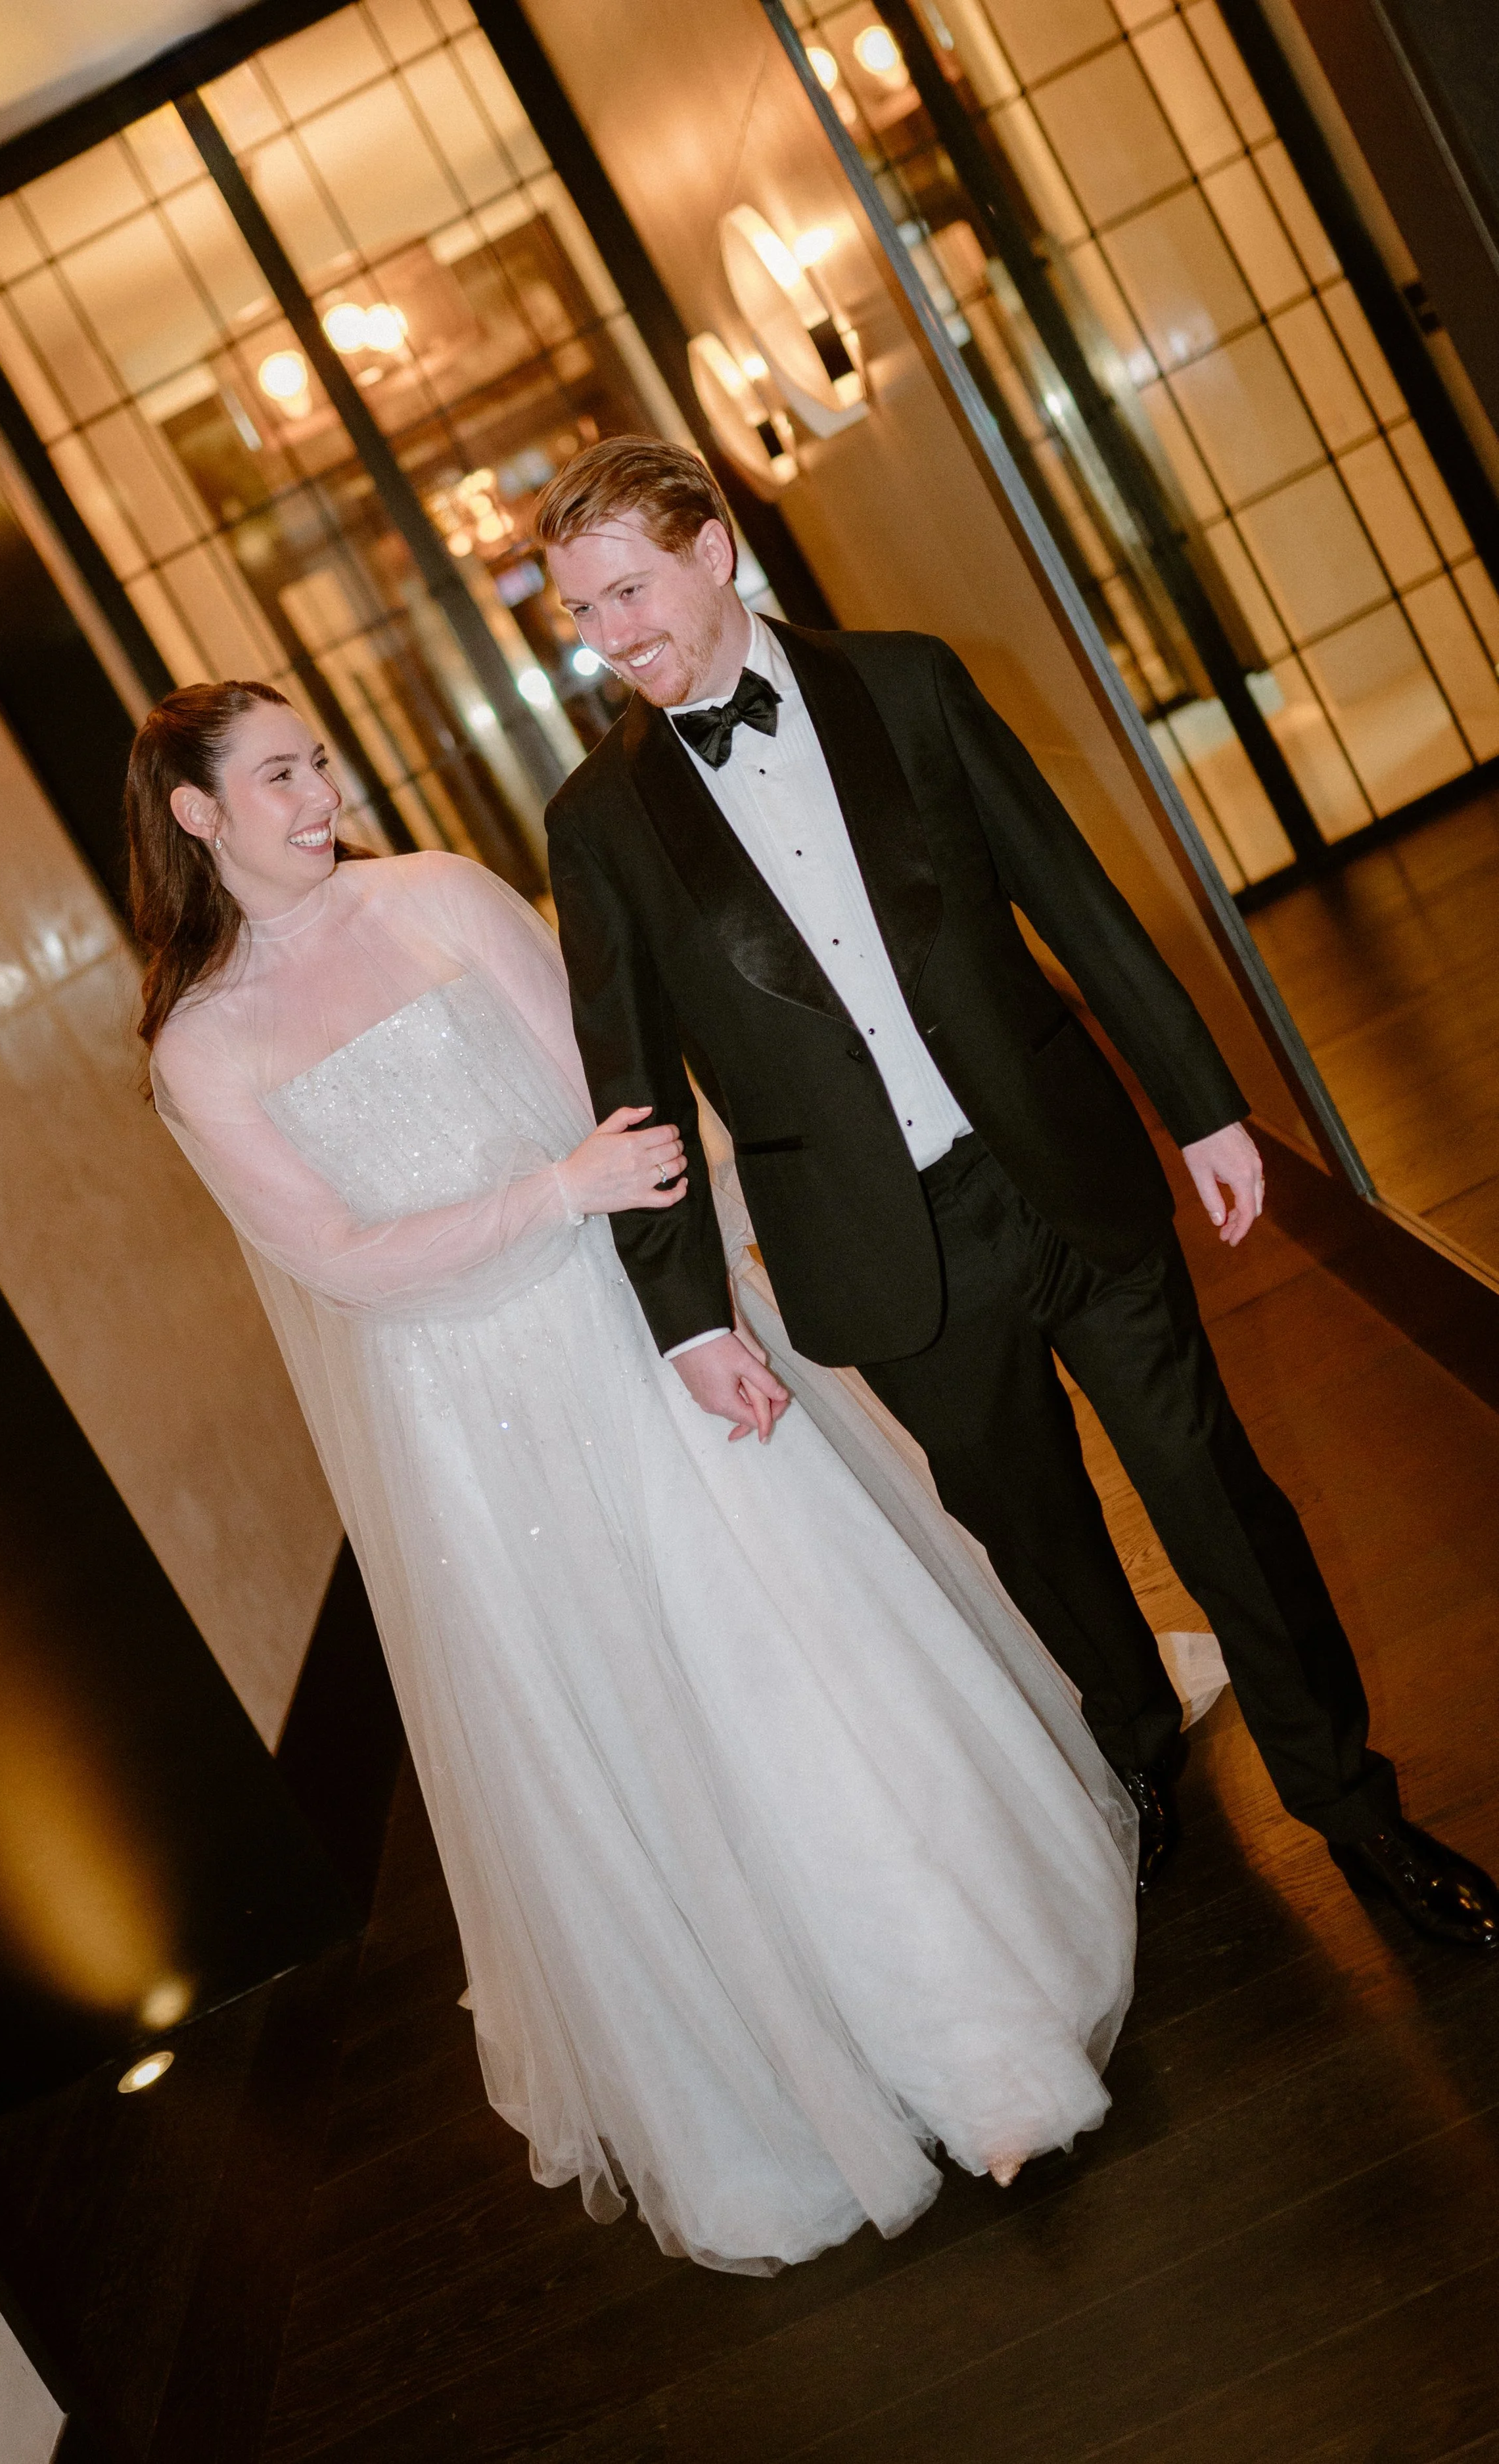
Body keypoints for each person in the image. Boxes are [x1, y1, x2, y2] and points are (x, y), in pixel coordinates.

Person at [128, 678, 1143, 2275]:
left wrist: (700, 1279)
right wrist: (552, 1194)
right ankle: (784, 2094)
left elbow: (623, 1098)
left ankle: (972, 2041)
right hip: (472, 1416)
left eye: (319, 758)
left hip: (635, 1336)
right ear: (195, 814)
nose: (318, 791)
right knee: (634, 1731)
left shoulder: (439, 895)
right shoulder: (198, 1044)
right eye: (275, 777)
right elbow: (332, 1258)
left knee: (784, 1666)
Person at [537, 434, 1498, 1954]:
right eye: (580, 614)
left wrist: (1199, 1105)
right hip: (877, 1251)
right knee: (1037, 1537)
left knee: (1212, 1497)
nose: (612, 638)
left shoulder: (907, 684)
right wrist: (680, 1312)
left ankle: (1356, 1813)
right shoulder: (598, 823)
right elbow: (631, 1089)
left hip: (1058, 1174)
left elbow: (1071, 894)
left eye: (630, 591)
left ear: (712, 552)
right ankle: (1136, 1746)